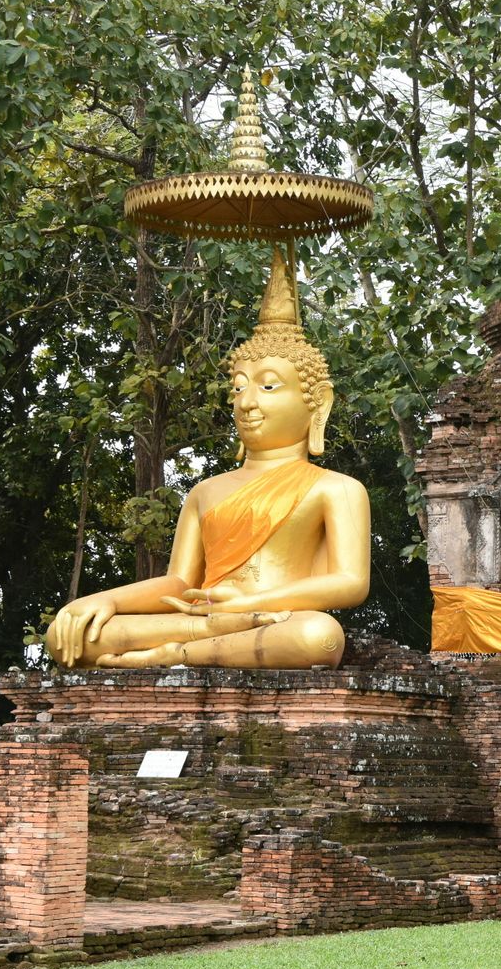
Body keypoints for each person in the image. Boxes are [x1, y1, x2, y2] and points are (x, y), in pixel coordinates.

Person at [45, 249, 369, 669]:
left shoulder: (336, 488)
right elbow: (180, 582)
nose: (246, 402)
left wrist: (249, 604)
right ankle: (204, 639)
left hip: (275, 618)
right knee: (68, 634)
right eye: (238, 387)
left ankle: (171, 655)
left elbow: (350, 582)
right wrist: (104, 600)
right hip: (207, 619)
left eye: (269, 387)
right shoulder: (206, 491)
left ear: (318, 403)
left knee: (319, 636)